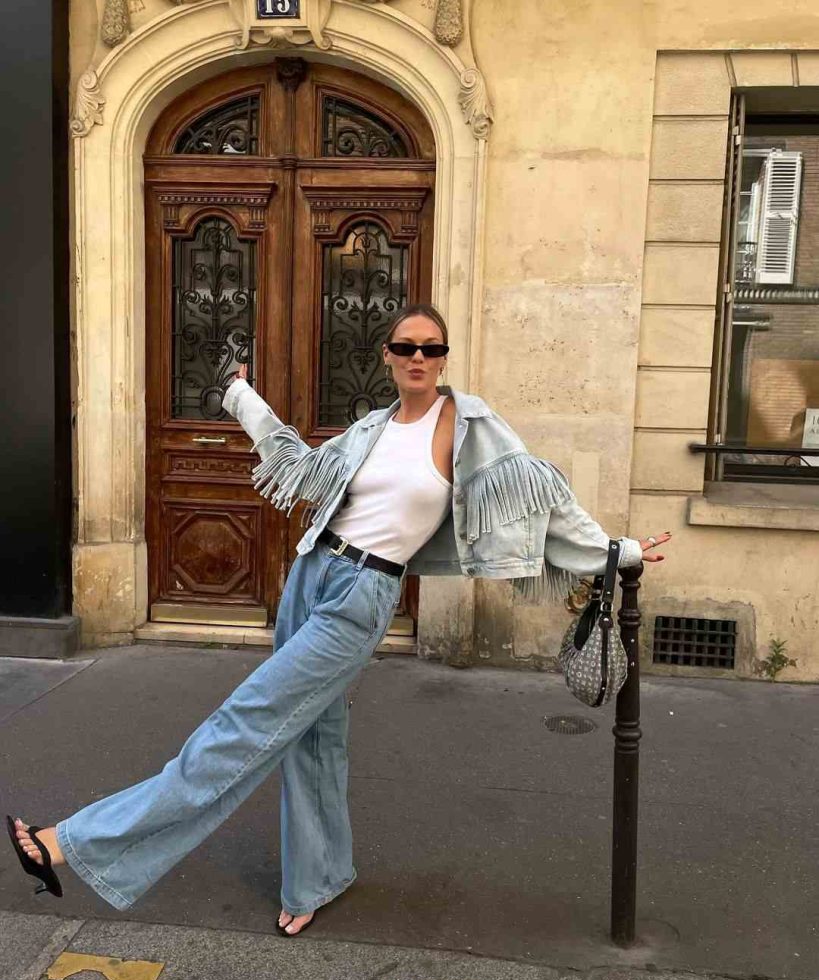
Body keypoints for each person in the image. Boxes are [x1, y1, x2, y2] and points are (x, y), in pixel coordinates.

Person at [7, 304, 670, 936]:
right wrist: (241, 397)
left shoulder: (468, 425)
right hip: (312, 574)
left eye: (430, 348)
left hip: (363, 594)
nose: (418, 357)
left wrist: (617, 551)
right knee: (313, 739)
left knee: (243, 725)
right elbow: (299, 464)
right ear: (387, 356)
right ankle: (316, 880)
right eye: (406, 346)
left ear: (443, 359)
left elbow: (537, 493)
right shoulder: (372, 427)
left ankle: (66, 844)